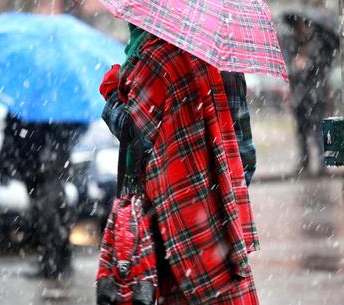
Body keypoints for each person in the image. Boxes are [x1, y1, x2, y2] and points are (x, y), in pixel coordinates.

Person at [98, 25, 259, 304]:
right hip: (219, 221)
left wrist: (113, 97)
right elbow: (244, 155)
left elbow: (136, 132)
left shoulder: (155, 56)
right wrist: (217, 195)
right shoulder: (222, 53)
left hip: (171, 223)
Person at [0, 113, 86, 278]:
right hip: (35, 169)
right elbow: (11, 134)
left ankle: (55, 263)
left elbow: (69, 133)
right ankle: (55, 261)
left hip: (48, 169)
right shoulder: (25, 107)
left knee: (50, 216)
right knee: (47, 216)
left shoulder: (51, 108)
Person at [283, 19, 337, 175]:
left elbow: (322, 67)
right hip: (299, 95)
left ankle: (322, 163)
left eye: (300, 25)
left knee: (317, 129)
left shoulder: (319, 43)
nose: (298, 29)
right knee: (301, 130)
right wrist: (295, 66)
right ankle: (304, 161)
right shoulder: (293, 43)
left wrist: (308, 64)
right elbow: (289, 70)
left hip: (315, 95)